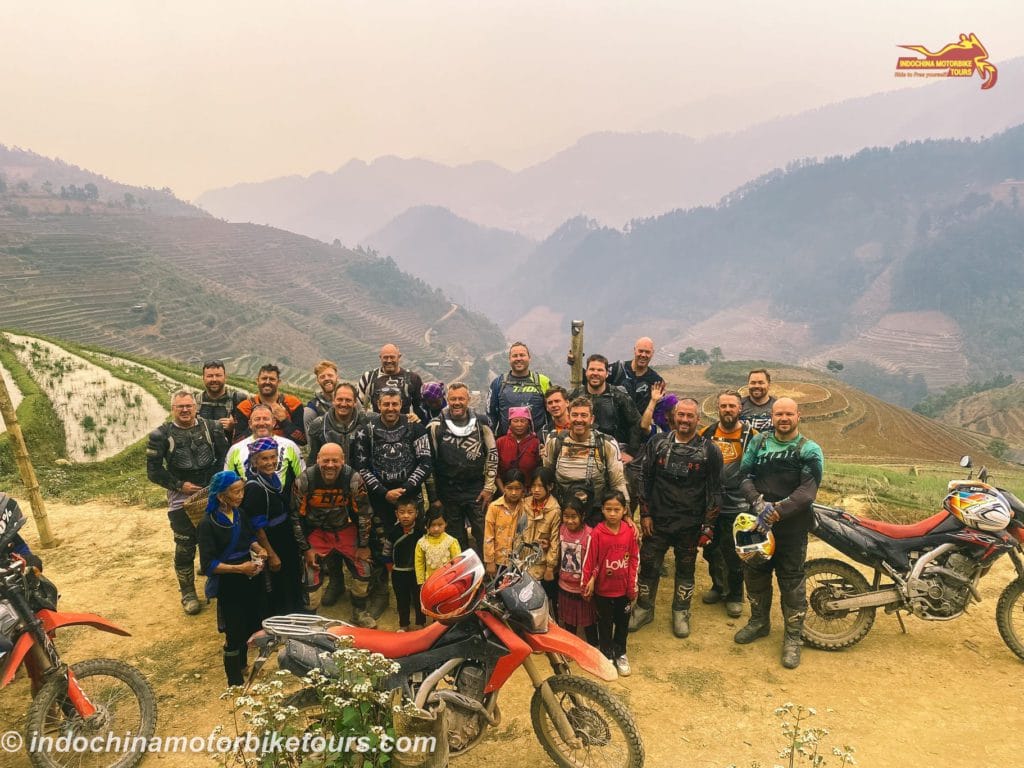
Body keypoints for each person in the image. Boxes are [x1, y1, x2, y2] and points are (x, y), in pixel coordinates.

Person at [736, 396, 825, 669]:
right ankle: (759, 622)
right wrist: (758, 503)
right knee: (755, 574)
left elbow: (807, 492)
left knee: (792, 581)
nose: (783, 419)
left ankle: (793, 637)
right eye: (778, 414)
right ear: (771, 417)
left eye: (789, 414)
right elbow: (744, 476)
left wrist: (777, 510)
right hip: (757, 523)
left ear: (799, 416)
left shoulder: (810, 449)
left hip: (792, 527)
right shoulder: (758, 442)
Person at [632, 398, 723, 638]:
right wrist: (645, 514)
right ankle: (643, 608)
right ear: (674, 416)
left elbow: (715, 491)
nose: (684, 420)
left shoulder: (709, 450)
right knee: (649, 565)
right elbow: (645, 479)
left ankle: (681, 611)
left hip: (690, 524)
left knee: (686, 569)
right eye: (680, 415)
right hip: (658, 520)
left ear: (698, 419)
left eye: (689, 416)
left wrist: (708, 526)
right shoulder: (658, 443)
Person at [350, 387, 432, 617]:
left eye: (395, 404)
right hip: (379, 500)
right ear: (378, 404)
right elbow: (361, 466)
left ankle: (418, 596)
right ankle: (382, 594)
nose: (390, 408)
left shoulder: (415, 428)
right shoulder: (366, 430)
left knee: (416, 546)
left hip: (411, 499)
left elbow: (426, 462)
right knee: (380, 546)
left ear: (402, 404)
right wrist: (384, 492)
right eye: (386, 404)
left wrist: (405, 489)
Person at [146, 389, 229, 615]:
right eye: (180, 406)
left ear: (196, 407)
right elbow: (153, 471)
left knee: (217, 538)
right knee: (185, 545)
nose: (185, 410)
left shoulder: (213, 428)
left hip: (212, 493)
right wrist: (178, 485)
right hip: (180, 499)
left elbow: (224, 457)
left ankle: (220, 585)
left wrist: (215, 481)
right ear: (173, 409)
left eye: (188, 406)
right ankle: (188, 592)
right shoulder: (160, 436)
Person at [196, 470, 268, 686]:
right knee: (234, 632)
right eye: (235, 492)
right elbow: (209, 565)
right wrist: (240, 569)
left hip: (249, 578)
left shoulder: (239, 514)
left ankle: (244, 665)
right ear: (221, 496)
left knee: (248, 625)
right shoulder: (207, 524)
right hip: (229, 583)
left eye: (241, 491)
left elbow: (248, 538)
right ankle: (234, 681)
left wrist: (259, 548)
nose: (241, 496)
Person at [293, 443, 375, 628]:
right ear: (317, 460)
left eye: (335, 461)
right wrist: (305, 548)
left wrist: (363, 545)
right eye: (326, 460)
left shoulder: (353, 478)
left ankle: (359, 611)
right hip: (316, 532)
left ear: (343, 461)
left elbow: (364, 513)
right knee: (310, 573)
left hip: (344, 528)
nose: (330, 465)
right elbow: (296, 517)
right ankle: (310, 619)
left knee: (364, 568)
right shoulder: (304, 480)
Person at [700, 390, 757, 618]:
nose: (727, 410)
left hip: (739, 502)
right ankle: (718, 586)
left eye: (732, 406)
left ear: (740, 408)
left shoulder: (752, 435)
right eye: (723, 406)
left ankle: (735, 594)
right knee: (711, 549)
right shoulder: (707, 432)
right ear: (718, 408)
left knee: (735, 551)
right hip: (712, 501)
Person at [425, 381, 497, 552]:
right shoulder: (435, 426)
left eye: (461, 399)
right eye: (453, 399)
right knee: (454, 537)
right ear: (447, 400)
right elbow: (430, 463)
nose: (457, 402)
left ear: (468, 399)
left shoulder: (482, 423)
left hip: (476, 489)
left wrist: (488, 487)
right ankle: (463, 574)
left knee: (483, 533)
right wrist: (434, 496)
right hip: (448, 491)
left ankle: (487, 573)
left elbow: (492, 455)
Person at [240, 437, 304, 617]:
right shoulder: (255, 488)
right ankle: (283, 619)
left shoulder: (272, 479)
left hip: (285, 536)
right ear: (255, 461)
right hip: (272, 541)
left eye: (273, 457)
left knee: (291, 578)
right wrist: (272, 555)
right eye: (264, 459)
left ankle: (296, 614)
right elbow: (257, 528)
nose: (270, 462)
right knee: (279, 583)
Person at [542, 397, 628, 525]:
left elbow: (618, 482)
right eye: (574, 415)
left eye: (584, 415)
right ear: (568, 417)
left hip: (596, 512)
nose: (579, 420)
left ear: (592, 419)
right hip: (562, 511)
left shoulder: (606, 444)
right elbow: (546, 477)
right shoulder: (555, 441)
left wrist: (626, 516)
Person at [582, 491, 639, 677]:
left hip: (624, 590)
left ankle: (620, 653)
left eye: (617, 509)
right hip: (603, 591)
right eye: (608, 509)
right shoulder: (597, 533)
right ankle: (606, 655)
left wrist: (632, 586)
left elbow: (634, 559)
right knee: (604, 624)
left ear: (624, 510)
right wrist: (586, 583)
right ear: (602, 510)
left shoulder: (629, 532)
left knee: (622, 624)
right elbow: (590, 560)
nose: (612, 513)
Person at [569, 354, 644, 464]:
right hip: (581, 451)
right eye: (592, 369)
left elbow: (636, 423)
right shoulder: (575, 395)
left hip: (613, 454)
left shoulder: (619, 396)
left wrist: (631, 452)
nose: (595, 373)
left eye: (600, 370)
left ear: (606, 373)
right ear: (586, 372)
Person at [225, 404, 304, 489]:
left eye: (266, 419)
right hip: (248, 498)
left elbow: (302, 478)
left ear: (274, 422)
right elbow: (226, 482)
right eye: (257, 419)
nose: (262, 423)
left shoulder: (290, 446)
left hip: (280, 498)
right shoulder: (235, 449)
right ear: (250, 424)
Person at [488, 342, 552, 436]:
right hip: (506, 445)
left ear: (529, 358)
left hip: (538, 445)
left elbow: (553, 414)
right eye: (515, 356)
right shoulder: (498, 383)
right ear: (509, 359)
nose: (518, 358)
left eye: (522, 355)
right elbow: (490, 415)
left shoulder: (543, 381)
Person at [557, 498, 598, 646]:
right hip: (565, 585)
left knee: (588, 621)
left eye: (573, 517)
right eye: (566, 516)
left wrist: (592, 580)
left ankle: (594, 646)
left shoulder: (590, 535)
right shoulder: (561, 530)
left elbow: (597, 560)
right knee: (569, 621)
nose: (569, 521)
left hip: (583, 587)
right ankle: (571, 646)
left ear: (582, 516)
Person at [233, 364, 307, 445]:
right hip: (254, 453)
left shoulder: (293, 404)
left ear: (278, 382)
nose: (267, 382)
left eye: (272, 379)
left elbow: (303, 440)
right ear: (257, 381)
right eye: (264, 378)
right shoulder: (244, 407)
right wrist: (254, 426)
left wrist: (284, 421)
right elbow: (237, 442)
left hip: (285, 453)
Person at [383, 496, 426, 631]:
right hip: (399, 573)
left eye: (410, 512)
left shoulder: (421, 532)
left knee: (419, 599)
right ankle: (404, 624)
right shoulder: (393, 532)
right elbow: (386, 552)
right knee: (402, 600)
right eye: (402, 512)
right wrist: (391, 568)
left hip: (417, 573)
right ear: (397, 514)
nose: (406, 516)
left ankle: (420, 623)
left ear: (416, 513)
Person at [525, 467, 561, 617]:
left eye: (540, 486)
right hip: (525, 563)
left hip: (543, 565)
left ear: (550, 487)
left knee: (546, 603)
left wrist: (550, 568)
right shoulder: (525, 504)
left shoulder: (554, 510)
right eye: (533, 486)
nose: (536, 490)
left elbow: (555, 541)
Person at [306, 382, 369, 463]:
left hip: (360, 473)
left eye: (348, 400)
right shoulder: (319, 425)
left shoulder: (366, 423)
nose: (343, 404)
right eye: (340, 399)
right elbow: (313, 459)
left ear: (355, 403)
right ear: (333, 401)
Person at [357, 344, 425, 419]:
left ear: (399, 357)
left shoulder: (413, 378)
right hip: (376, 428)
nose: (389, 361)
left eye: (392, 357)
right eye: (385, 357)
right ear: (380, 358)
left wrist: (416, 419)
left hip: (405, 428)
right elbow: (358, 405)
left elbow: (420, 407)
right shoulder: (368, 377)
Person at [483, 469, 529, 577]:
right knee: (499, 590)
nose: (513, 492)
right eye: (509, 488)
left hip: (519, 561)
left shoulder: (526, 507)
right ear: (503, 487)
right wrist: (490, 562)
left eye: (517, 489)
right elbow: (488, 537)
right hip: (499, 561)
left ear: (523, 489)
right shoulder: (494, 507)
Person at [609, 337, 664, 414]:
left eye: (647, 352)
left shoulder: (656, 381)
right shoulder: (617, 369)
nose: (643, 355)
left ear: (652, 353)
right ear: (634, 350)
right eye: (640, 351)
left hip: (639, 424)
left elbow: (658, 411)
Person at [196, 360, 246, 443]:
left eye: (218, 375)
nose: (214, 379)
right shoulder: (195, 401)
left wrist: (234, 427)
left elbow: (251, 431)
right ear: (203, 378)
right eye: (210, 376)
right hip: (202, 454)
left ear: (225, 377)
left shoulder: (239, 399)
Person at [495, 406, 541, 494]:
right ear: (509, 424)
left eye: (523, 421)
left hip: (529, 493)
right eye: (515, 421)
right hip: (504, 491)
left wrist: (531, 492)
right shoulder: (500, 442)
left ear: (529, 423)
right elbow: (495, 471)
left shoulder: (536, 443)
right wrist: (504, 492)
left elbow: (539, 470)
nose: (519, 425)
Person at [415, 507, 461, 585]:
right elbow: (419, 564)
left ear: (446, 523)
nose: (436, 528)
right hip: (430, 582)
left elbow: (458, 562)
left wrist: (456, 579)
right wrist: (421, 582)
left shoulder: (451, 541)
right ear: (426, 525)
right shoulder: (422, 543)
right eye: (433, 525)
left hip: (449, 582)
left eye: (440, 525)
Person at [304, 360, 340, 438]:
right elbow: (311, 442)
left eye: (330, 375)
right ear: (318, 381)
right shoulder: (311, 409)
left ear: (337, 377)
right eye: (322, 377)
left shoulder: (353, 401)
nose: (326, 379)